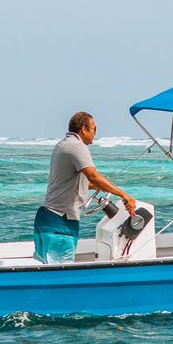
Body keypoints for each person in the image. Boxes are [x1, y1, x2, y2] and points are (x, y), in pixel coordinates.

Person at [34, 112, 137, 264]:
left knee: (44, 270)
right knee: (60, 274)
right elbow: (93, 176)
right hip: (60, 220)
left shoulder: (62, 144)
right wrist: (124, 195)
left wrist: (105, 187)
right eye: (95, 129)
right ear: (84, 129)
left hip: (46, 217)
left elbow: (77, 182)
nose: (95, 134)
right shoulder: (77, 146)